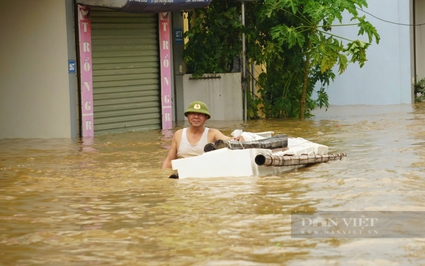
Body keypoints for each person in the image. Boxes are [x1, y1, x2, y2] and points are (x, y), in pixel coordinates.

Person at [161, 101, 244, 169]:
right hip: (182, 174)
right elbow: (169, 160)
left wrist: (236, 139)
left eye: (200, 114)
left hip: (203, 174)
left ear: (206, 118)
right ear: (188, 117)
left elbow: (226, 139)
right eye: (193, 114)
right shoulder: (178, 134)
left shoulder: (212, 133)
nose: (196, 117)